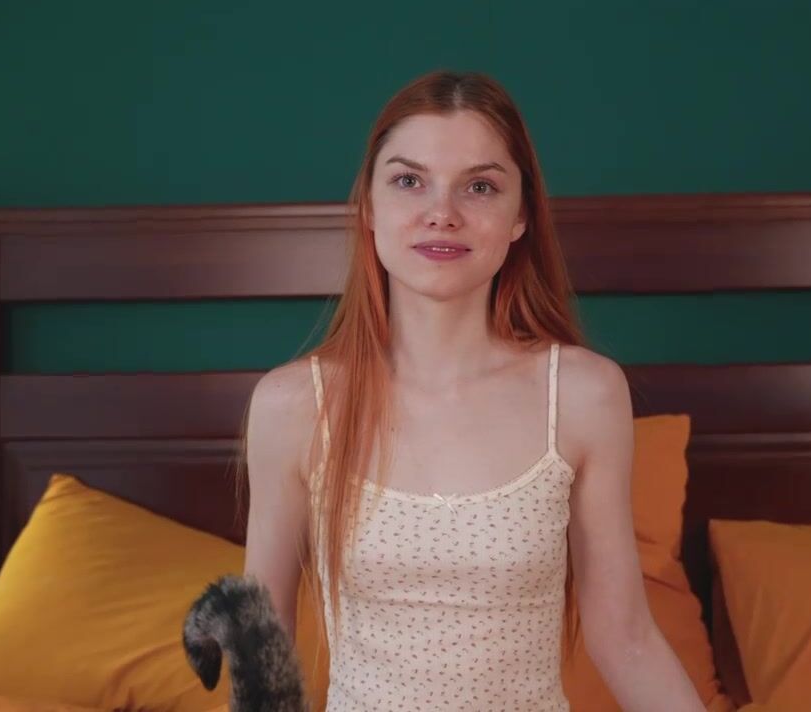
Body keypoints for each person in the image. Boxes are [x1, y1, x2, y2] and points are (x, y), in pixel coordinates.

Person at [240, 70, 707, 712]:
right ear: (370, 206)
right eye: (410, 181)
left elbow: (626, 639)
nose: (443, 213)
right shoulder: (292, 406)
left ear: (521, 216)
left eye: (480, 186)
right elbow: (261, 655)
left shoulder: (583, 395)